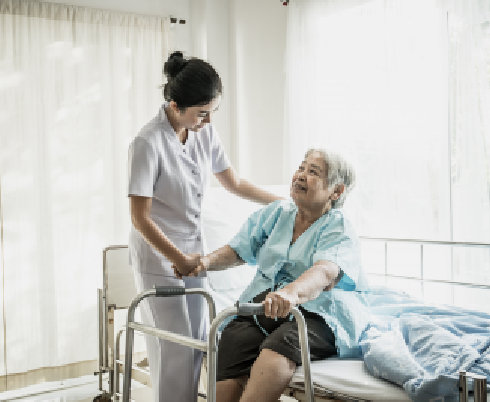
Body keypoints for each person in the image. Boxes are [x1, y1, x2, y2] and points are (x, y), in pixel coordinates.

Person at [127, 51, 281, 402]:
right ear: (175, 105)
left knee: (199, 341)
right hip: (159, 257)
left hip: (193, 255)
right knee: (174, 348)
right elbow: (140, 217)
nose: (208, 121)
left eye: (212, 112)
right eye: (202, 113)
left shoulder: (203, 133)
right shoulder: (148, 143)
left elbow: (235, 183)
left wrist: (284, 204)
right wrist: (176, 258)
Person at [175, 149, 369, 402]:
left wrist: (291, 293)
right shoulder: (278, 212)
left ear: (337, 191)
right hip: (266, 307)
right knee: (233, 339)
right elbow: (240, 248)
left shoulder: (337, 226)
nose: (301, 175)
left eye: (313, 172)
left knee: (276, 350)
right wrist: (204, 262)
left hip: (319, 313)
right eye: (301, 167)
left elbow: (325, 271)